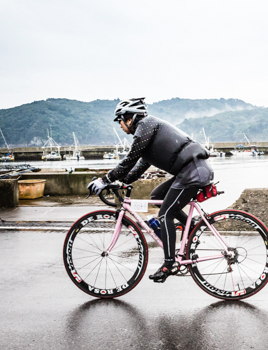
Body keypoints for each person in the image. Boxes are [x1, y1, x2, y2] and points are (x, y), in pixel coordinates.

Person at [87, 98, 214, 283]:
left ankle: (169, 264)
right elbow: (137, 168)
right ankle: (191, 225)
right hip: (191, 171)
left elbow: (130, 159)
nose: (120, 126)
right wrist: (120, 182)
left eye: (120, 121)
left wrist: (106, 179)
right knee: (157, 196)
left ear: (129, 118)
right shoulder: (147, 134)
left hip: (193, 172)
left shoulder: (146, 126)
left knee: (165, 214)